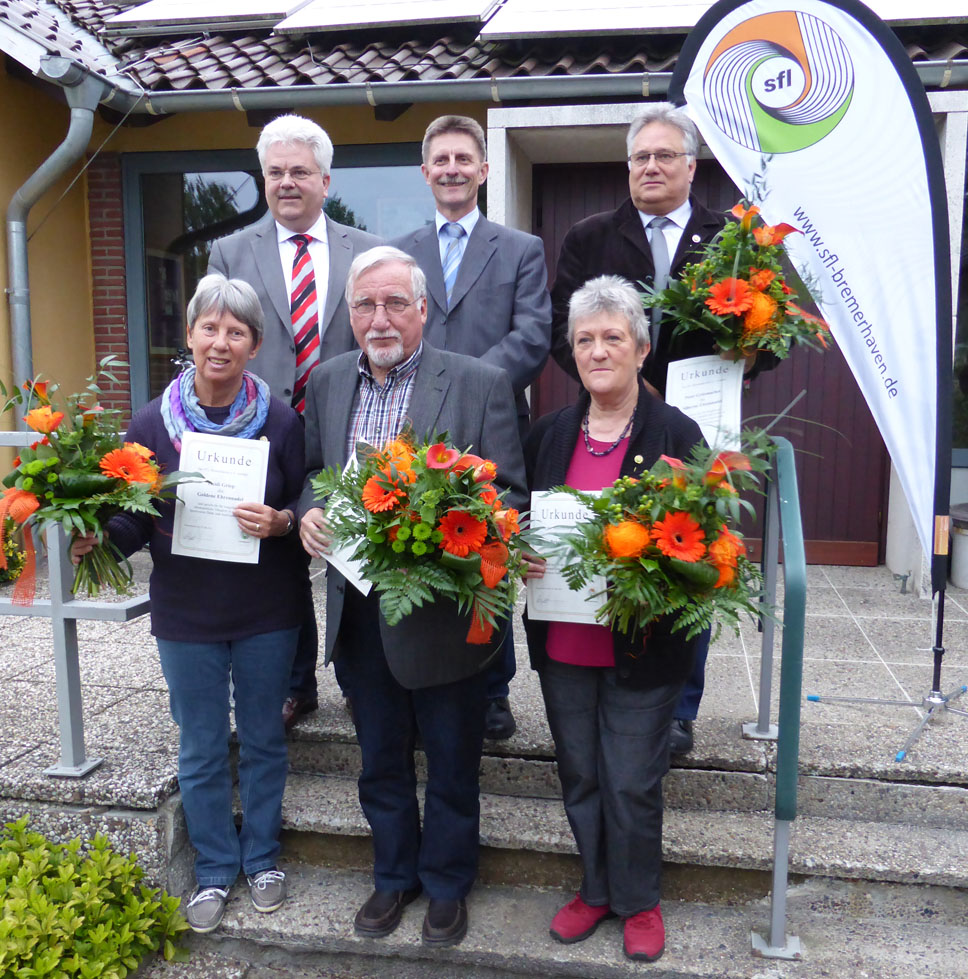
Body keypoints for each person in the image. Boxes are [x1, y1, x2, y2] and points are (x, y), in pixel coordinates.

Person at [299, 245, 527, 947]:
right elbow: (314, 469)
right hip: (359, 611)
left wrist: (438, 533)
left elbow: (509, 495)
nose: (380, 317)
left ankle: (449, 884)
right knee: (380, 760)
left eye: (396, 302)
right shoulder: (329, 380)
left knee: (454, 762)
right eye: (366, 303)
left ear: (423, 308)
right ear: (349, 312)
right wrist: (310, 508)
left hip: (443, 616)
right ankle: (394, 876)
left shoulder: (480, 383)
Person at [72, 274, 308, 934]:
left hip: (267, 610)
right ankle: (212, 866)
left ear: (255, 343)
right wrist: (96, 541)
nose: (221, 341)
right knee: (201, 745)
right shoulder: (150, 423)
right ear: (190, 335)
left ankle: (261, 858)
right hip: (186, 614)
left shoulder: (283, 421)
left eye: (236, 330)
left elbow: (302, 504)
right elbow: (133, 519)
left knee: (263, 738)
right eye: (210, 327)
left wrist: (283, 522)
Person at [522, 276, 702, 963]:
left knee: (631, 778)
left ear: (642, 348)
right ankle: (595, 889)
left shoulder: (675, 434)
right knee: (581, 774)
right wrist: (523, 556)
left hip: (643, 645)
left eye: (613, 337)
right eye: (585, 340)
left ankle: (639, 899)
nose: (598, 350)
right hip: (565, 639)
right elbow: (524, 525)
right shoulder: (549, 435)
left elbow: (701, 545)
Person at [550, 102, 738, 755]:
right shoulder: (590, 237)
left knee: (689, 552)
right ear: (627, 167)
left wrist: (747, 349)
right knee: (620, 545)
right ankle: (609, 674)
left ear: (691, 165)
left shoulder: (732, 238)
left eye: (664, 156)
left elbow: (769, 338)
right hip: (617, 420)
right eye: (640, 157)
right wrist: (625, 383)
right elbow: (560, 333)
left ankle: (681, 703)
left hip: (701, 426)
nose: (651, 166)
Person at [209, 113, 382, 730]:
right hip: (263, 428)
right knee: (278, 556)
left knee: (354, 549)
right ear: (263, 178)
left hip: (347, 423)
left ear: (325, 180)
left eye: (300, 172)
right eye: (276, 172)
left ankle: (361, 678)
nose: (287, 182)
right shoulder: (230, 251)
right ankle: (295, 682)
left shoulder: (364, 250)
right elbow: (220, 338)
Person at [390, 114, 551, 740]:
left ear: (484, 171)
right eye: (441, 160)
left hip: (496, 427)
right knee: (423, 547)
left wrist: (467, 386)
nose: (452, 169)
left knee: (489, 550)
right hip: (416, 431)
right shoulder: (399, 254)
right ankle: (422, 670)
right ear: (425, 172)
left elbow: (534, 335)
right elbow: (393, 330)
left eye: (464, 159)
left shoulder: (521, 249)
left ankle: (493, 689)